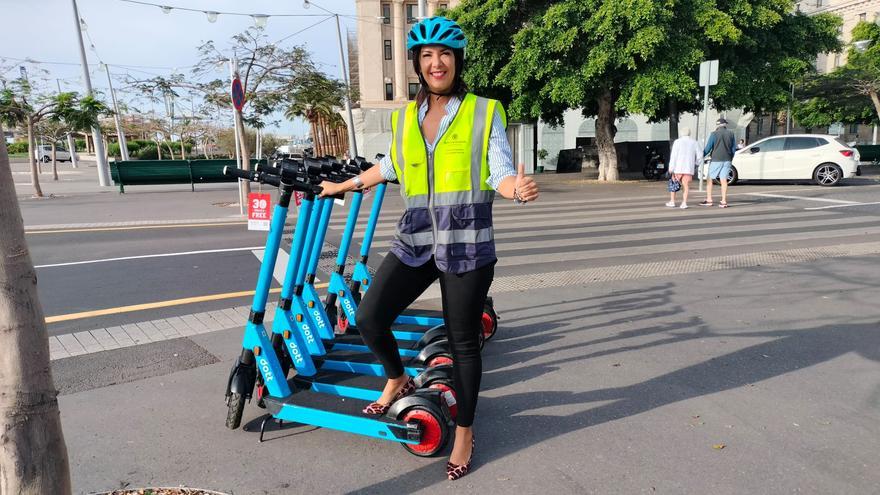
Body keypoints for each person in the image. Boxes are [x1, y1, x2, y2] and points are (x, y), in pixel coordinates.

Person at [318, 16, 539, 480]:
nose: (436, 63)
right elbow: (392, 164)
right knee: (369, 316)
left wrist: (513, 186)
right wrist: (346, 184)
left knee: (463, 344)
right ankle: (397, 377)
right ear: (417, 64)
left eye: (444, 55)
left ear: (457, 61)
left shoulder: (485, 110)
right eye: (426, 56)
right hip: (416, 238)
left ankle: (463, 433)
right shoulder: (404, 118)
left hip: (467, 243)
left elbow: (497, 169)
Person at [701, 117, 737, 208]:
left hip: (716, 159)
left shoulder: (714, 134)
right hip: (727, 159)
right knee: (723, 179)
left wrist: (701, 155)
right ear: (725, 125)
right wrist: (731, 157)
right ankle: (724, 201)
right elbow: (733, 149)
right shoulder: (731, 134)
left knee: (710, 179)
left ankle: (709, 199)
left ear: (717, 125)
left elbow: (708, 148)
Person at [666, 128, 702, 209]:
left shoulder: (677, 142)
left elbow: (673, 156)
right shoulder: (694, 142)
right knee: (686, 185)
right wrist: (696, 164)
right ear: (689, 133)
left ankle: (672, 201)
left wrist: (671, 168)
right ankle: (684, 203)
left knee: (673, 183)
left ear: (681, 133)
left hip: (677, 167)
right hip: (688, 168)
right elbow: (700, 155)